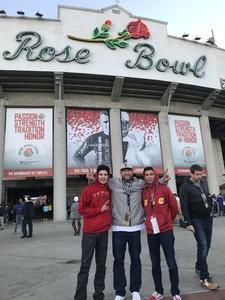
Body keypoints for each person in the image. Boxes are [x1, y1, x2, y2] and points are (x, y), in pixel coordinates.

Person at [142, 167, 181, 300]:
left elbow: (174, 207)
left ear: (155, 175)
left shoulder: (164, 189)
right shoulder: (144, 192)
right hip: (151, 232)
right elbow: (145, 209)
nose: (149, 176)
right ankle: (158, 291)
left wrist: (168, 220)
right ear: (144, 177)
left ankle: (175, 292)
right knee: (155, 263)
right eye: (146, 175)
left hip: (165, 231)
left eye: (151, 174)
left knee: (171, 262)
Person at [74, 165, 111, 300]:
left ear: (108, 176)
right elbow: (81, 210)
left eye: (105, 174)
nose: (103, 177)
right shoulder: (88, 190)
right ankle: (79, 296)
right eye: (100, 174)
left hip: (104, 233)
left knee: (101, 266)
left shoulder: (110, 189)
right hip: (90, 233)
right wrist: (98, 210)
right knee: (85, 266)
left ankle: (99, 294)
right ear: (97, 175)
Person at [179, 164, 219, 290]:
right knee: (203, 245)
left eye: (201, 174)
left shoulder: (203, 184)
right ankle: (204, 278)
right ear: (191, 173)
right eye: (197, 174)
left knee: (207, 244)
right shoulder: (185, 187)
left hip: (207, 218)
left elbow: (206, 197)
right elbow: (184, 205)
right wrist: (188, 222)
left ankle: (198, 266)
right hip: (196, 220)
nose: (199, 176)